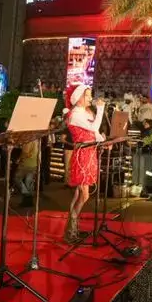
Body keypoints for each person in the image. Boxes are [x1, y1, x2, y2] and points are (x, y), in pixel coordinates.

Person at [65, 83, 105, 237]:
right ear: (79, 98)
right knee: (84, 195)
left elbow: (94, 133)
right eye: (87, 95)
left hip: (89, 153)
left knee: (79, 193)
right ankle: (72, 226)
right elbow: (94, 127)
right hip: (83, 155)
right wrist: (100, 109)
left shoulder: (84, 112)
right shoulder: (75, 114)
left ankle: (73, 229)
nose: (90, 98)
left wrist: (103, 141)